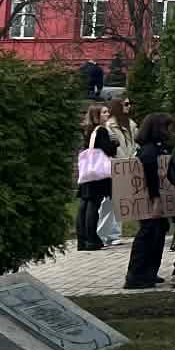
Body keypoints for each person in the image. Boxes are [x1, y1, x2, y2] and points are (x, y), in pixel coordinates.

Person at [123, 113, 175, 289]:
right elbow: (152, 179)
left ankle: (149, 272)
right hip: (150, 200)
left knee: (157, 234)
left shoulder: (153, 149)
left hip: (151, 199)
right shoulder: (150, 152)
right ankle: (138, 274)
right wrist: (156, 201)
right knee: (148, 235)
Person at [75, 104, 116, 251]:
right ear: (96, 115)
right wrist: (114, 143)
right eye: (104, 112)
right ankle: (91, 239)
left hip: (87, 171)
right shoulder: (102, 130)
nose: (107, 114)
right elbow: (107, 150)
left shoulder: (87, 130)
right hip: (97, 173)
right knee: (93, 203)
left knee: (84, 204)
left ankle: (82, 239)